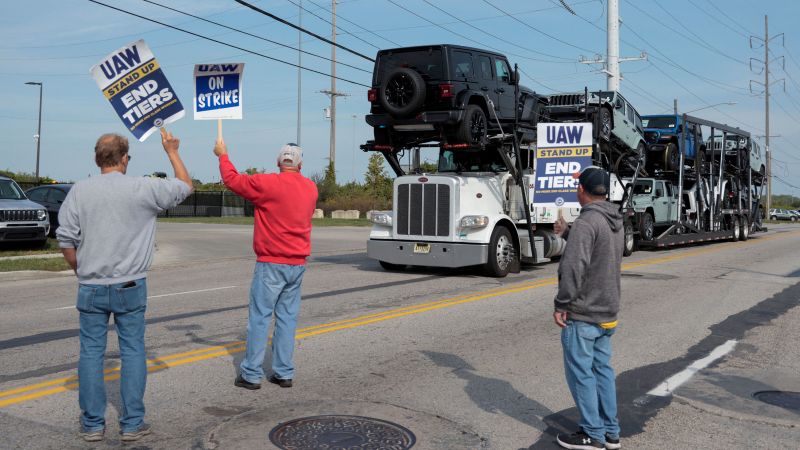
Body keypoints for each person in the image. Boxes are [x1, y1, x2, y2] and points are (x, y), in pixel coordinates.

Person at [57, 129, 193, 443]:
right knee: (132, 352)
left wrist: (81, 269)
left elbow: (66, 239)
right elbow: (185, 186)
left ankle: (92, 425)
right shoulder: (142, 187)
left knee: (91, 354)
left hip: (91, 285)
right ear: (125, 159)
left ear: (96, 159)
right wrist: (172, 151)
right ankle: (132, 423)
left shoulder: (80, 190)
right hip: (131, 284)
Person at [212, 138, 318, 391]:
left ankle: (251, 374)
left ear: (278, 161)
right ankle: (283, 372)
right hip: (297, 264)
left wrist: (223, 155)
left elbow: (233, 180)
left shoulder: (267, 183)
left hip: (271, 262)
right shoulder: (311, 188)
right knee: (287, 320)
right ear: (300, 163)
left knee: (260, 318)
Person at [552, 166, 623, 450]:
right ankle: (610, 432)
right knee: (602, 371)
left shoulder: (587, 222)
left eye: (577, 187)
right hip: (607, 310)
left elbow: (573, 266)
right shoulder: (614, 219)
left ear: (582, 190)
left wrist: (562, 303)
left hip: (584, 313)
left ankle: (592, 434)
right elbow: (598, 252)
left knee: (581, 373)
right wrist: (568, 233)